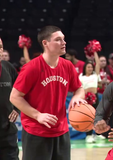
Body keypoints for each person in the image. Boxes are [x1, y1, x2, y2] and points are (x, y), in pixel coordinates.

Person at [9, 25, 86, 160]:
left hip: (62, 131)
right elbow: (14, 97)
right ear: (45, 43)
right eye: (58, 40)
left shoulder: (67, 66)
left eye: (63, 39)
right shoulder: (31, 68)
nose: (64, 43)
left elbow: (79, 88)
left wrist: (77, 97)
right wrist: (37, 115)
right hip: (36, 132)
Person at [0, 38, 20, 160]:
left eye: (1, 47)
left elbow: (21, 90)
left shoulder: (8, 67)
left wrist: (17, 108)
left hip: (8, 132)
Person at [79, 52, 102, 143]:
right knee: (88, 117)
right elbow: (79, 88)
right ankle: (88, 135)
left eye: (91, 67)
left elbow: (98, 63)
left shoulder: (95, 75)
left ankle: (97, 134)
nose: (90, 68)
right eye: (88, 67)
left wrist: (95, 51)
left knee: (98, 116)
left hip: (95, 97)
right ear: (85, 68)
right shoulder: (81, 77)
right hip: (86, 98)